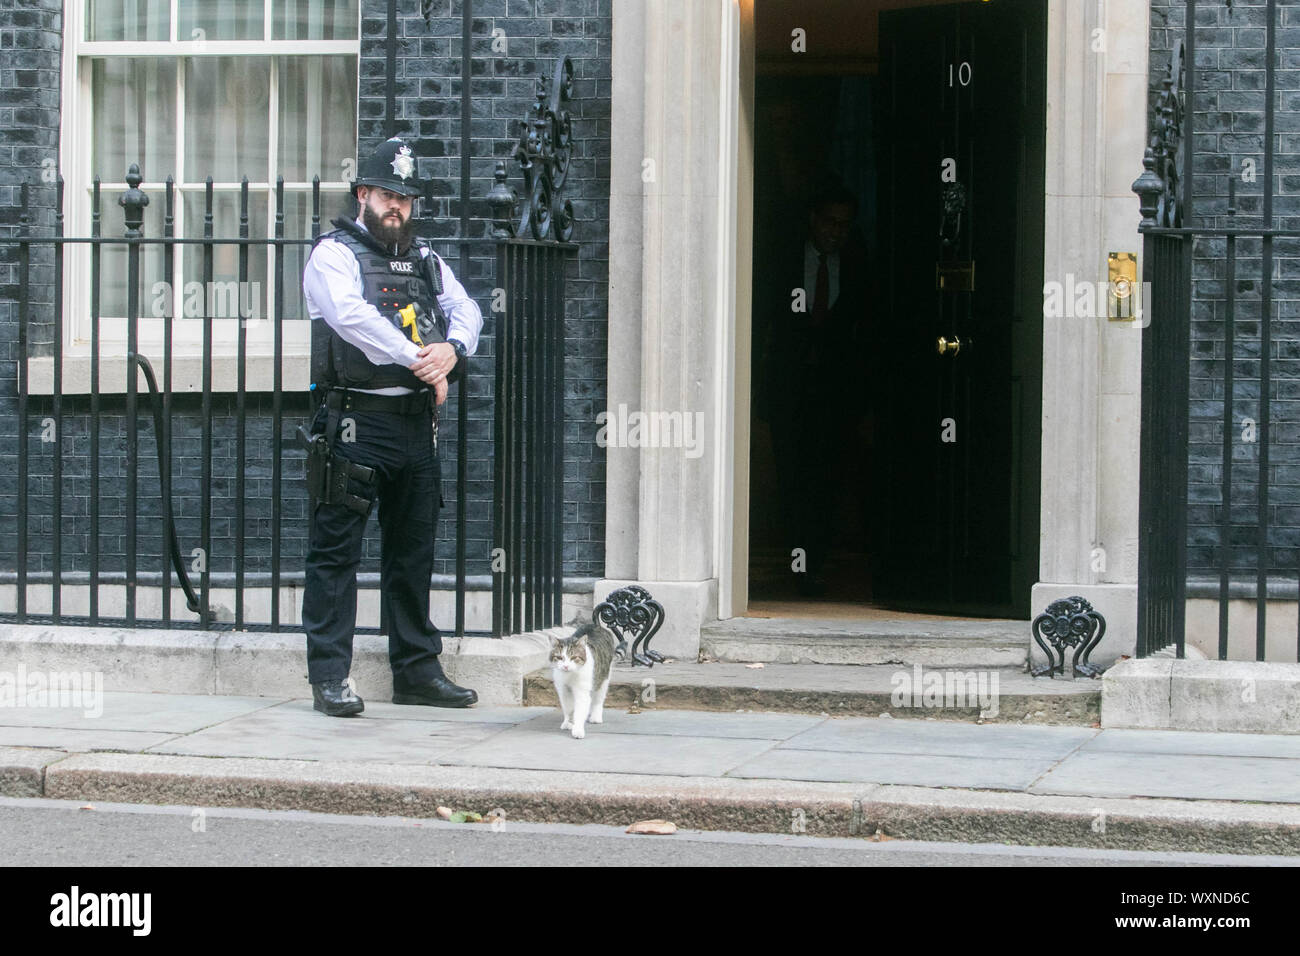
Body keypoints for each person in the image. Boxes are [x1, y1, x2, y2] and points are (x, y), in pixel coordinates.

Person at [299, 137, 482, 716]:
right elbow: (350, 317)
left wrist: (451, 350)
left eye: (405, 197)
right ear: (363, 195)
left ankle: (416, 672)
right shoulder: (333, 254)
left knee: (413, 553)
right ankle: (330, 677)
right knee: (336, 553)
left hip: (413, 425)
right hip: (355, 419)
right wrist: (418, 358)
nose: (396, 206)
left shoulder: (425, 258)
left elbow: (467, 309)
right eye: (386, 195)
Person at [755, 183, 873, 597]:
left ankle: (816, 565)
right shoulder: (782, 261)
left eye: (844, 224)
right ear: (813, 219)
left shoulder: (859, 265)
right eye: (829, 222)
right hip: (790, 391)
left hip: (837, 395)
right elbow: (760, 322)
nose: (836, 231)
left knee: (827, 478)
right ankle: (798, 563)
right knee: (792, 478)